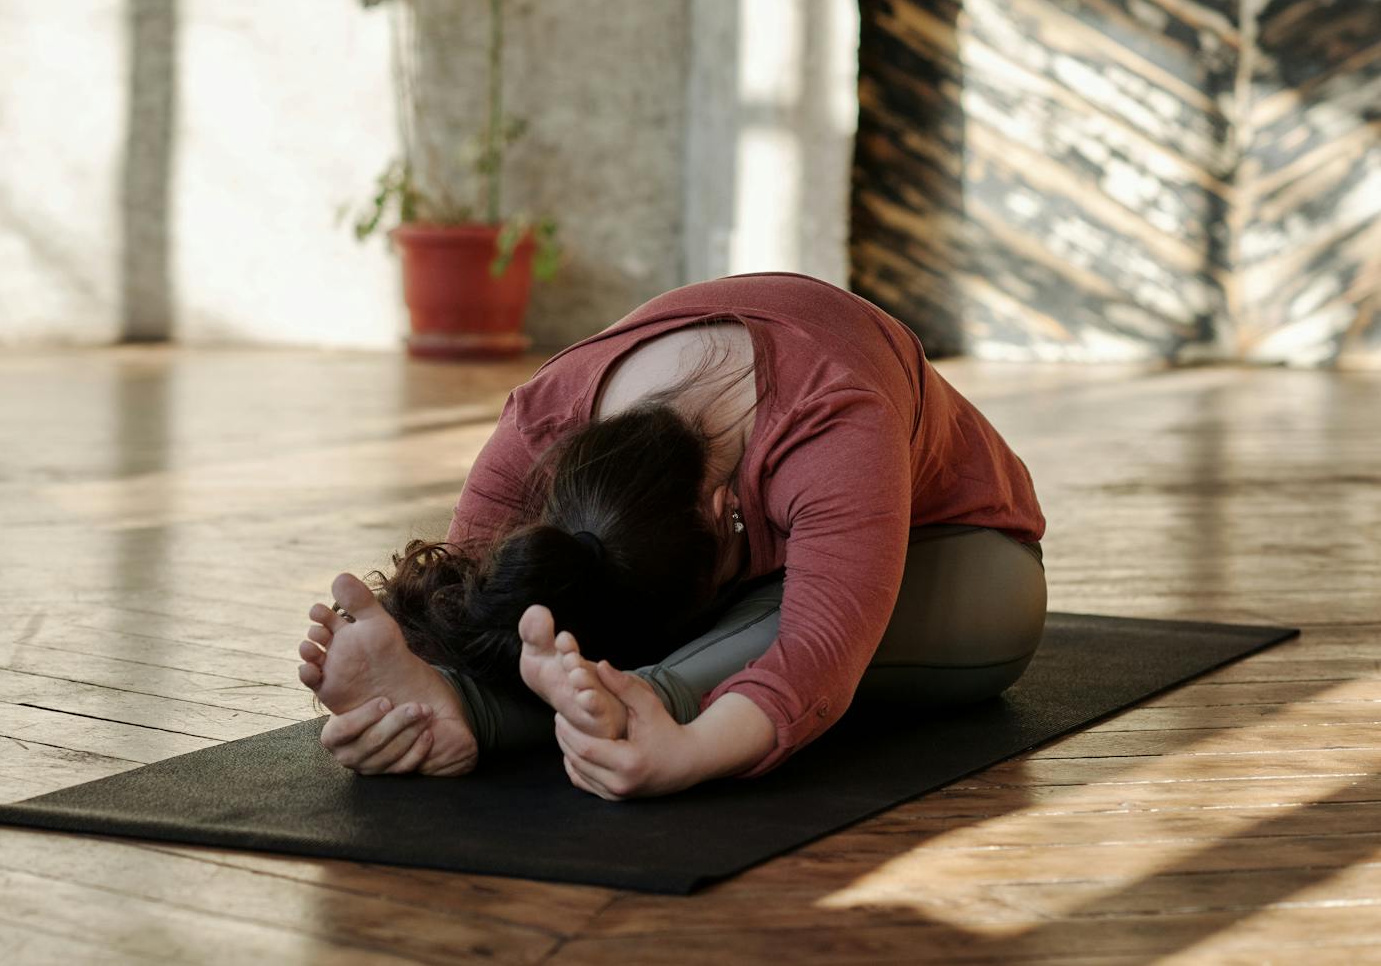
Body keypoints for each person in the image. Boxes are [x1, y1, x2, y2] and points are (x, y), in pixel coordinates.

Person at [296, 271, 1047, 799]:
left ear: (726, 509)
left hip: (967, 563)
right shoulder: (546, 416)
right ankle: (487, 708)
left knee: (783, 610)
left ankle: (634, 703)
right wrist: (420, 698)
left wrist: (686, 753)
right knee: (571, 611)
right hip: (740, 590)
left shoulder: (834, 425)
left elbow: (817, 653)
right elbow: (487, 596)